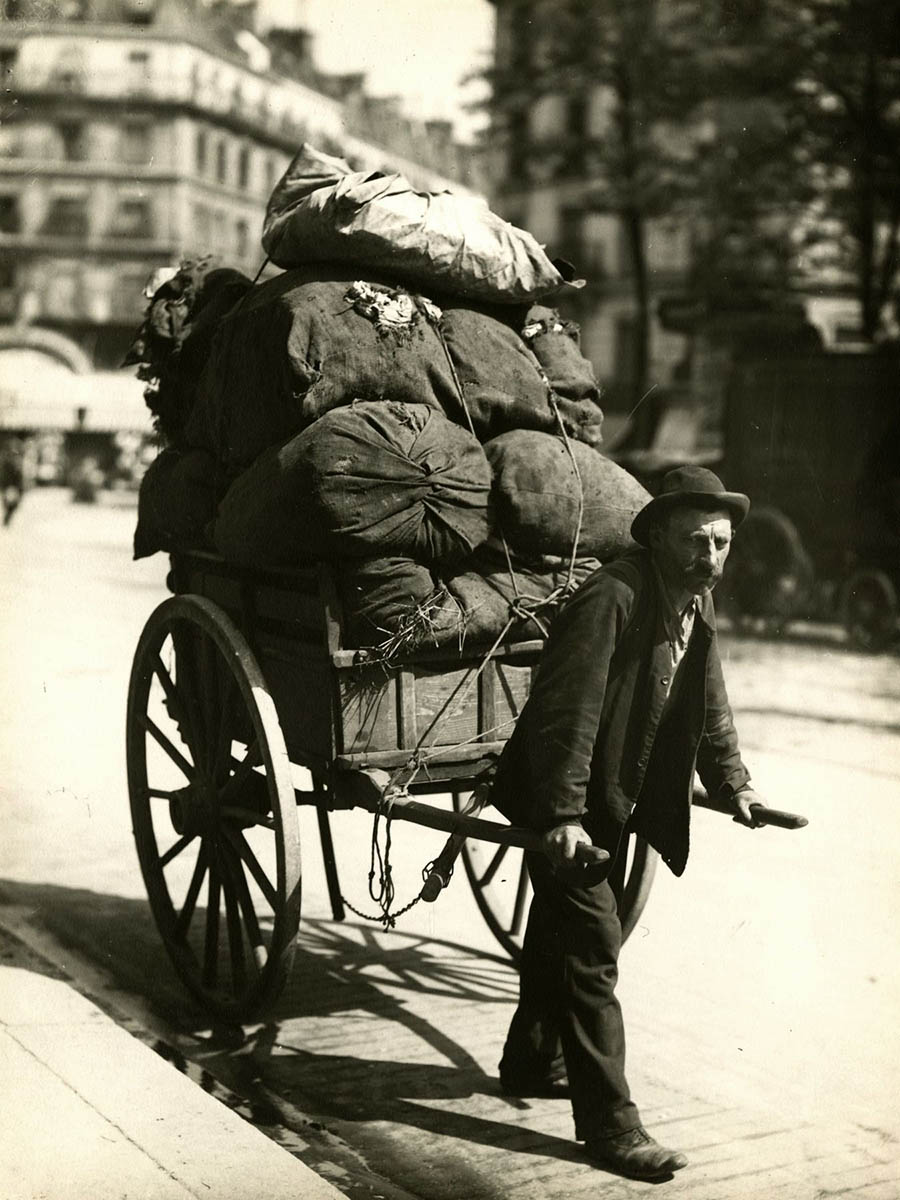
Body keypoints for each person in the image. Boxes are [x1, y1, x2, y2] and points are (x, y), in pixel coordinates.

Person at [490, 465, 766, 1182]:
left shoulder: (692, 605)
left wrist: (734, 785)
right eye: (695, 542)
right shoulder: (613, 596)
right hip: (568, 797)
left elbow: (709, 705)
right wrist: (559, 816)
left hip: (613, 798)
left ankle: (530, 1060)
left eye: (721, 544)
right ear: (658, 537)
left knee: (562, 926)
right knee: (593, 942)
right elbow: (567, 711)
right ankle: (611, 1126)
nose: (709, 559)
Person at [1, 440, 25, 527]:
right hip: (9, 486)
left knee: (14, 504)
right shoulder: (7, 463)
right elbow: (4, 475)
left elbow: (19, 476)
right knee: (9, 504)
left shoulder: (17, 462)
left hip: (14, 486)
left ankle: (7, 519)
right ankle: (6, 520)